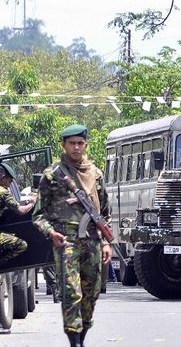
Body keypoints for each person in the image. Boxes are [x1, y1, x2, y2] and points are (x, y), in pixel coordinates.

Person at [32, 124, 112, 347]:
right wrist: (52, 233)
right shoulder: (52, 175)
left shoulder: (96, 174)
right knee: (70, 292)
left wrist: (106, 242)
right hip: (66, 241)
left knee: (91, 293)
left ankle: (82, 336)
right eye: (71, 143)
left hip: (93, 241)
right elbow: (38, 215)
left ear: (85, 145)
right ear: (64, 145)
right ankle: (74, 342)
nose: (76, 147)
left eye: (80, 143)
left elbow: (104, 212)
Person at [0, 162, 34, 266]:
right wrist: (32, 203)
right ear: (3, 178)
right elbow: (20, 211)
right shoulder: (3, 192)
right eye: (9, 181)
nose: (10, 184)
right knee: (21, 245)